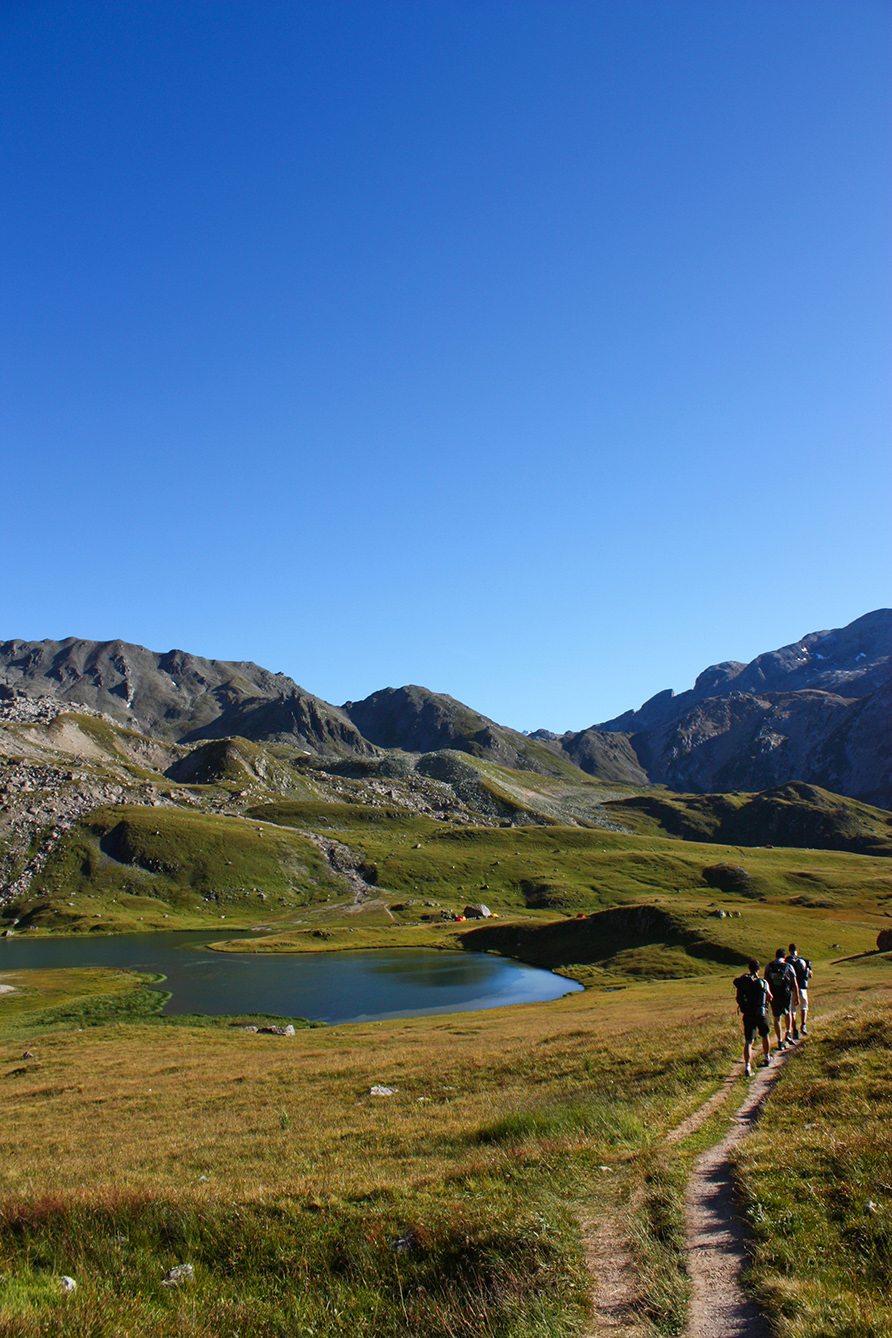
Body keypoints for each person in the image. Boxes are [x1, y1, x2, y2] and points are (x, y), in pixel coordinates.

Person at [734, 959, 772, 1076]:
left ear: (749, 968)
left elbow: (738, 998)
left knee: (749, 1041)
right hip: (761, 1013)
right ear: (759, 969)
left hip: (748, 1014)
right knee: (765, 1035)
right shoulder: (763, 982)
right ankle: (766, 1057)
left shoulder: (744, 982)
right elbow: (770, 997)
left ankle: (747, 1066)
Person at [764, 947, 800, 1051]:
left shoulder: (769, 966)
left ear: (776, 956)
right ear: (784, 956)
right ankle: (788, 1032)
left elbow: (765, 982)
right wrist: (796, 996)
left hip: (774, 995)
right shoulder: (788, 966)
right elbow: (794, 982)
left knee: (777, 1018)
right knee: (788, 1013)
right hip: (786, 994)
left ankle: (780, 1041)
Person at [786, 943, 811, 1036]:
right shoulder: (804, 961)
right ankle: (803, 1025)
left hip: (791, 988)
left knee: (792, 1009)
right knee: (804, 1007)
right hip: (802, 987)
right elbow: (810, 974)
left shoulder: (787, 961)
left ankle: (794, 1029)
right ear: (797, 950)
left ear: (789, 950)